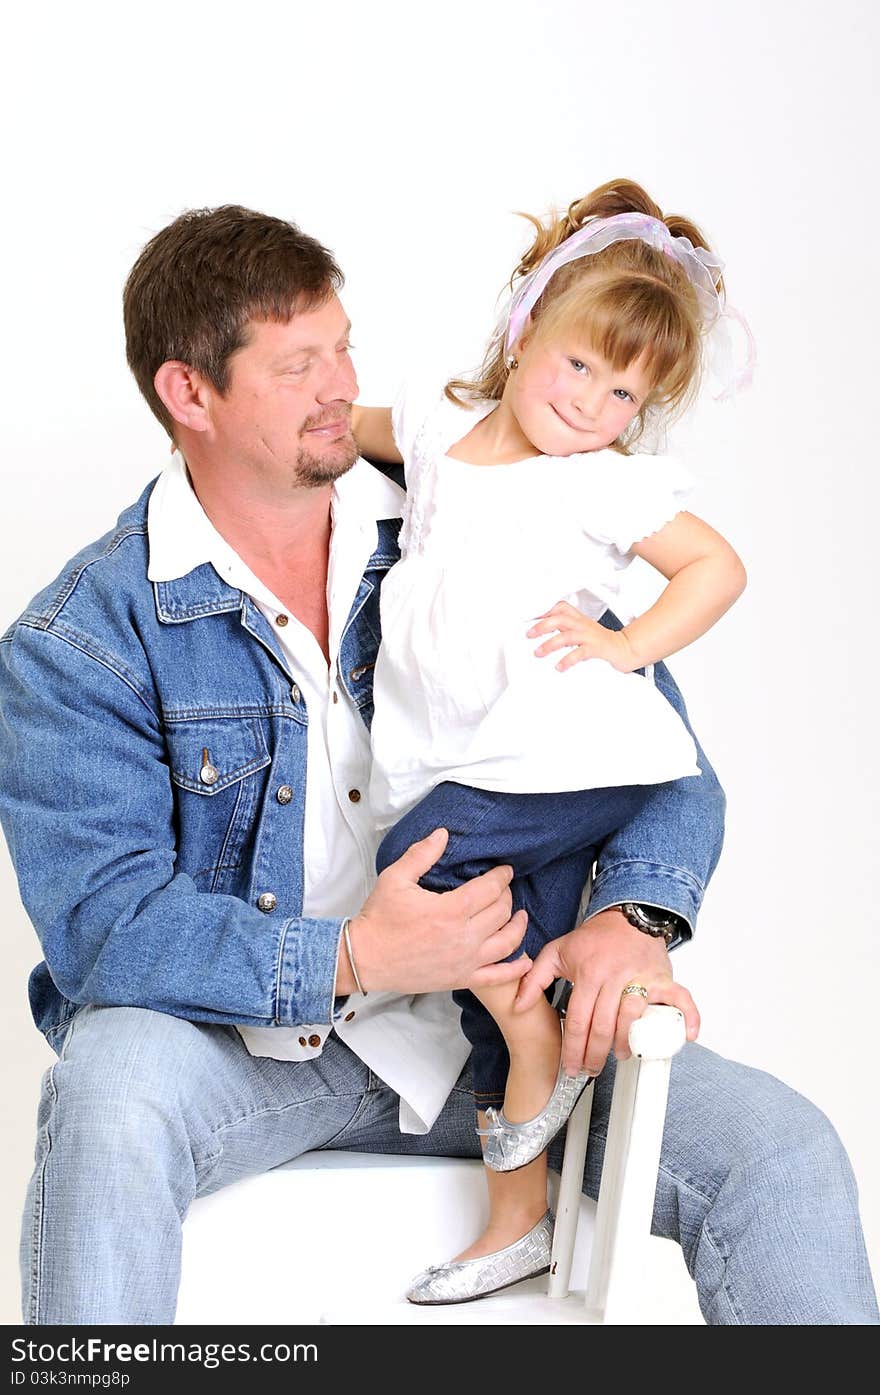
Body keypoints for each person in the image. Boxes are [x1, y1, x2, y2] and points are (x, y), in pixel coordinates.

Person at [0, 202, 875, 1326]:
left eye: (344, 345)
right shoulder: (80, 639)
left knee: (779, 1153)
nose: (340, 384)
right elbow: (109, 929)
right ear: (189, 393)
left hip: (499, 1033)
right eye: (300, 363)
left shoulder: (476, 509)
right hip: (255, 1048)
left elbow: (660, 758)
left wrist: (634, 920)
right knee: (109, 1088)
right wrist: (353, 955)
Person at [350, 178, 749, 1303]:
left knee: (420, 868)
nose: (590, 405)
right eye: (578, 366)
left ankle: (534, 1044)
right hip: (471, 758)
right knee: (519, 970)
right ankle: (522, 1214)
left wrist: (628, 651)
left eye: (624, 393)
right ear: (523, 337)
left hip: (557, 757)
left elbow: (716, 567)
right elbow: (345, 434)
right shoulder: (435, 431)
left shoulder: (597, 486)